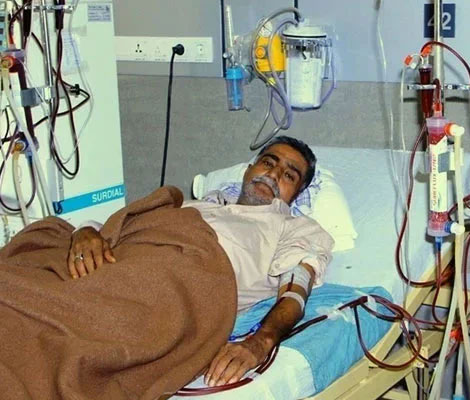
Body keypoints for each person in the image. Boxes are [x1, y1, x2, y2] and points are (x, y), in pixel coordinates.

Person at [67, 136, 334, 388]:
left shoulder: (294, 228)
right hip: (113, 269)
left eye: (288, 176)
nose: (273, 174)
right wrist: (86, 231)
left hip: (166, 296)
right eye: (268, 162)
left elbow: (294, 293)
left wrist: (260, 343)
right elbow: (127, 227)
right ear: (249, 169)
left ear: (297, 194)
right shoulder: (196, 206)